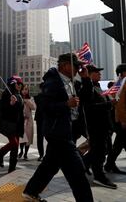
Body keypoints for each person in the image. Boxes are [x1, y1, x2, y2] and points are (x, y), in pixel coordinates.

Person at [22, 53, 93, 202]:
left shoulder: (72, 82)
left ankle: (31, 191)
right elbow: (45, 107)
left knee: (50, 165)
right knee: (77, 172)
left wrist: (86, 78)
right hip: (58, 133)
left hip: (69, 130)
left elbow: (87, 97)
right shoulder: (52, 83)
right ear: (65, 65)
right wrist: (66, 104)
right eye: (76, 65)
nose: (78, 68)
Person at [79, 64, 117, 189]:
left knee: (102, 150)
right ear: (89, 74)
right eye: (97, 72)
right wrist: (109, 104)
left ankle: (84, 164)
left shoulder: (99, 88)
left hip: (104, 126)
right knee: (99, 152)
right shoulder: (87, 89)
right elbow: (90, 108)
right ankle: (99, 176)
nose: (100, 74)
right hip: (96, 126)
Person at [0, 75, 24, 173]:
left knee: (15, 147)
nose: (20, 85)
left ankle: (12, 168)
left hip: (17, 124)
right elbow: (3, 109)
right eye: (18, 83)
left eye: (21, 84)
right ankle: (0, 154)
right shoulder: (6, 94)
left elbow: (20, 110)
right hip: (8, 123)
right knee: (14, 144)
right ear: (13, 84)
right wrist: (10, 104)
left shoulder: (19, 94)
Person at [105, 63, 126, 174]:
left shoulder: (118, 84)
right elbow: (121, 104)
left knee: (118, 144)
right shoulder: (123, 83)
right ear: (123, 73)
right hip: (122, 120)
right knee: (118, 144)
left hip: (118, 119)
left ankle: (109, 165)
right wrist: (123, 120)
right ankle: (108, 165)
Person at [18, 84, 36, 160]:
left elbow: (34, 107)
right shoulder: (18, 98)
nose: (25, 91)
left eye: (26, 89)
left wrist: (27, 101)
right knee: (22, 137)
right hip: (21, 120)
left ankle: (25, 154)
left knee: (28, 138)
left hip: (29, 121)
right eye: (23, 89)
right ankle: (21, 151)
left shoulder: (30, 99)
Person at [34, 83, 45, 161]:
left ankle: (42, 154)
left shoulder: (49, 95)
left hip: (46, 118)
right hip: (41, 118)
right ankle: (41, 154)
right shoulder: (38, 96)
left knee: (42, 138)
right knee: (40, 137)